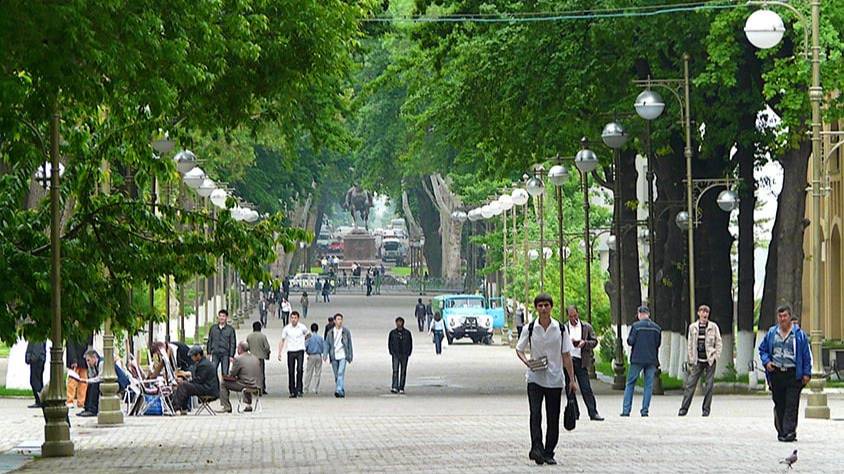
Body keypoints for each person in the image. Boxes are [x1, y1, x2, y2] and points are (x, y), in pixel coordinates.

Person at [515, 293, 578, 466]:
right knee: (535, 414)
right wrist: (527, 362)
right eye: (540, 305)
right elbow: (519, 349)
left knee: (553, 417)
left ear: (551, 307)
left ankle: (549, 451)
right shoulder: (530, 328)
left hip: (554, 379)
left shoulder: (560, 329)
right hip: (535, 378)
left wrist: (572, 379)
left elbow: (566, 355)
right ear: (536, 308)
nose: (543, 309)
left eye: (546, 305)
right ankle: (537, 448)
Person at [759, 304, 812, 442]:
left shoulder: (799, 335)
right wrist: (767, 362)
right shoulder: (772, 333)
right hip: (776, 373)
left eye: (785, 316)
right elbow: (763, 349)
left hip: (793, 374)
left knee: (791, 404)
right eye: (780, 316)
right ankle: (781, 431)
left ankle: (790, 432)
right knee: (779, 403)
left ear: (790, 317)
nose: (782, 319)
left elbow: (806, 355)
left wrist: (807, 373)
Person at [679, 305, 723, 417]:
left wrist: (716, 356)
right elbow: (690, 344)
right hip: (697, 360)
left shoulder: (713, 327)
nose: (705, 314)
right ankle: (683, 409)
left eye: (706, 312)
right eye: (702, 312)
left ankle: (706, 410)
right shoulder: (693, 327)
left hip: (709, 360)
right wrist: (691, 358)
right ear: (698, 313)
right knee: (690, 384)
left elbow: (719, 342)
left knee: (709, 385)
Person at [621, 306, 662, 417]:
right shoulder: (657, 328)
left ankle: (626, 410)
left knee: (630, 383)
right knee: (648, 385)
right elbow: (658, 344)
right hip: (651, 359)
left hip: (637, 359)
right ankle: (645, 411)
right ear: (648, 314)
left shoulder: (636, 326)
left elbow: (630, 341)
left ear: (639, 314)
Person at [565, 305, 603, 421]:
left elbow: (594, 341)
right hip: (568, 360)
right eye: (571, 316)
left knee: (586, 387)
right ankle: (574, 412)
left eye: (575, 315)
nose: (573, 319)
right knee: (569, 388)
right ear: (567, 316)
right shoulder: (564, 328)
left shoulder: (586, 327)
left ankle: (593, 412)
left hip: (581, 361)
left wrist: (584, 343)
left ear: (578, 314)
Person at [172, 346, 219, 415]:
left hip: (208, 389)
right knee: (185, 385)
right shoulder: (203, 362)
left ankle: (177, 409)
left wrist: (186, 381)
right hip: (207, 387)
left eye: (192, 356)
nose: (191, 358)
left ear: (198, 355)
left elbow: (198, 380)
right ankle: (184, 408)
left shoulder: (203, 365)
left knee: (183, 385)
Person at [219, 341, 261, 413]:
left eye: (237, 348)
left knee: (223, 383)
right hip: (256, 385)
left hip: (245, 385)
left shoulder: (238, 359)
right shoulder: (255, 358)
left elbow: (233, 374)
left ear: (240, 349)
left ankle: (226, 406)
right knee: (246, 379)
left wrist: (229, 375)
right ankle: (248, 405)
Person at [279, 311, 310, 398]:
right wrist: (279, 353)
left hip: (300, 350)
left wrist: (304, 342)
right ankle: (292, 390)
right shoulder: (286, 328)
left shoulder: (302, 327)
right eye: (292, 318)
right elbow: (282, 340)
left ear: (298, 319)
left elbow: (308, 334)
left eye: (295, 318)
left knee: (299, 369)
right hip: (291, 351)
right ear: (290, 319)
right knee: (291, 371)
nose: (293, 320)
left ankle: (299, 389)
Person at [324, 313, 353, 398]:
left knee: (340, 373)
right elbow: (327, 344)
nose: (339, 321)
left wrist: (350, 355)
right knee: (337, 375)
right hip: (334, 355)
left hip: (343, 355)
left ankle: (338, 390)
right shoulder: (330, 332)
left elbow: (349, 344)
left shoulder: (346, 331)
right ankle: (341, 390)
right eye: (338, 319)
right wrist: (325, 354)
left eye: (341, 319)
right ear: (334, 321)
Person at [207, 309, 237, 376]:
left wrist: (231, 355)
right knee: (213, 371)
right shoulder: (213, 328)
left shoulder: (230, 329)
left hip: (225, 354)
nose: (221, 318)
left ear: (226, 317)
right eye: (220, 316)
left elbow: (233, 343)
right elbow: (210, 340)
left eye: (223, 316)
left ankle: (224, 383)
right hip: (215, 353)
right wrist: (208, 353)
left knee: (225, 373)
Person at [65, 334, 92, 408]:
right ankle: (70, 400)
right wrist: (73, 359)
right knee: (72, 381)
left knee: (83, 381)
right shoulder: (73, 331)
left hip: (83, 357)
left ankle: (81, 401)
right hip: (76, 357)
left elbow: (89, 343)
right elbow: (70, 345)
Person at [388, 317, 413, 394]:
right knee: (395, 371)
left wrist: (408, 352)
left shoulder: (407, 333)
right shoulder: (392, 333)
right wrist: (391, 352)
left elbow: (410, 343)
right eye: (397, 322)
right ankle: (394, 386)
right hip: (395, 354)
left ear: (403, 323)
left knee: (403, 371)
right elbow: (390, 343)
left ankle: (401, 387)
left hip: (404, 354)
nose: (399, 324)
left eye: (400, 322)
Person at [76, 350, 104, 417]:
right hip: (102, 381)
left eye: (88, 360)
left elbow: (100, 378)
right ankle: (87, 408)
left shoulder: (101, 363)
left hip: (114, 382)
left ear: (94, 357)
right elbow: (92, 376)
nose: (87, 363)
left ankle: (92, 409)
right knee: (90, 384)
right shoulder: (94, 365)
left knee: (94, 384)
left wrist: (86, 380)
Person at [247, 321, 271, 394]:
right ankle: (261, 388)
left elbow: (247, 347)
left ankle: (253, 388)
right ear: (260, 328)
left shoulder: (249, 336)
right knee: (260, 374)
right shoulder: (262, 336)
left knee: (252, 374)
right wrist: (267, 352)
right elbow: (267, 347)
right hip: (260, 357)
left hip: (252, 358)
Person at [304, 323, 326, 395]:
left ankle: (306, 388)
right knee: (318, 373)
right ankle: (315, 388)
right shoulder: (320, 338)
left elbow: (305, 346)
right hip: (318, 355)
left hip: (311, 355)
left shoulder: (309, 338)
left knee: (309, 372)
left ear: (311, 329)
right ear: (317, 329)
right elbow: (323, 347)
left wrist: (307, 352)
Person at [25, 340, 46, 408]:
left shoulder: (36, 337)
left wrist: (31, 358)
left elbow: (37, 349)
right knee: (37, 380)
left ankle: (40, 400)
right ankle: (40, 400)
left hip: (37, 360)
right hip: (38, 359)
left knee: (35, 381)